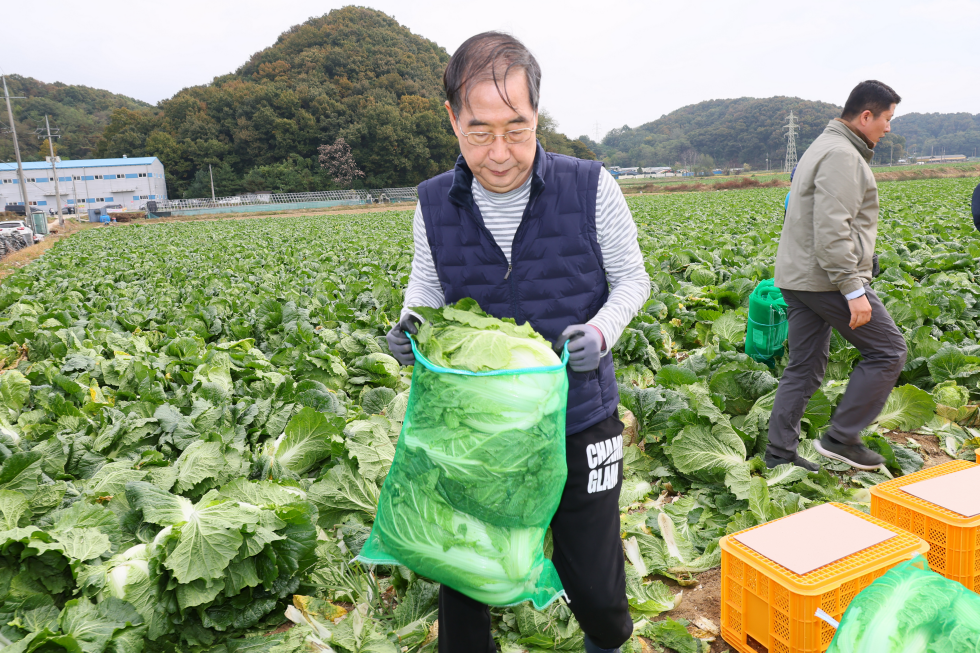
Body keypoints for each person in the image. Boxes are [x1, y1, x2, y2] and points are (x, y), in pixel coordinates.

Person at [385, 32, 650, 653]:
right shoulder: (432, 204)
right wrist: (407, 333)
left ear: (538, 115)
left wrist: (602, 330)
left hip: (579, 415)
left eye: (517, 128)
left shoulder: (590, 186)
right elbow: (422, 295)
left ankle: (605, 641)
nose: (499, 152)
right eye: (479, 131)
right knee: (465, 572)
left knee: (595, 582)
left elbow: (634, 279)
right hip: (480, 429)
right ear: (452, 119)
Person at [768, 80, 907, 472]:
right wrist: (853, 287)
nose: (888, 128)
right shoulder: (843, 154)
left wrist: (866, 256)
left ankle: (779, 453)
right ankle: (842, 437)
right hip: (826, 279)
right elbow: (831, 227)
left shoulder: (822, 144)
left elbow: (818, 217)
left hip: (798, 277)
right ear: (866, 116)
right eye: (886, 118)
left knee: (805, 366)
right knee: (888, 351)